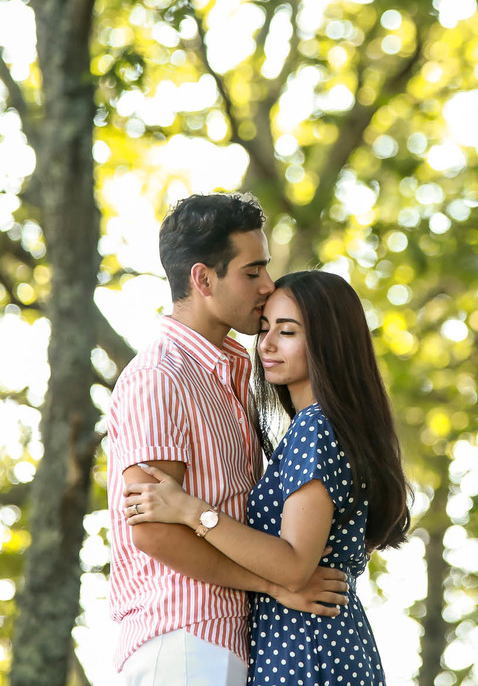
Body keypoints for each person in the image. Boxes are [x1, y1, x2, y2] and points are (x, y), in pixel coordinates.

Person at [124, 270, 412, 686]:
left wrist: (191, 510)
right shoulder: (322, 427)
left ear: (329, 342)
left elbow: (294, 567)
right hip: (317, 639)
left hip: (307, 645)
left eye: (287, 331)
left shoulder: (315, 428)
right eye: (264, 328)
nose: (266, 344)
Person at [107, 194, 350, 685]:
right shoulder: (160, 377)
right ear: (203, 280)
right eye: (252, 271)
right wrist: (274, 584)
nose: (268, 285)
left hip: (227, 638)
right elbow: (152, 531)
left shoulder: (234, 370)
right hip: (182, 635)